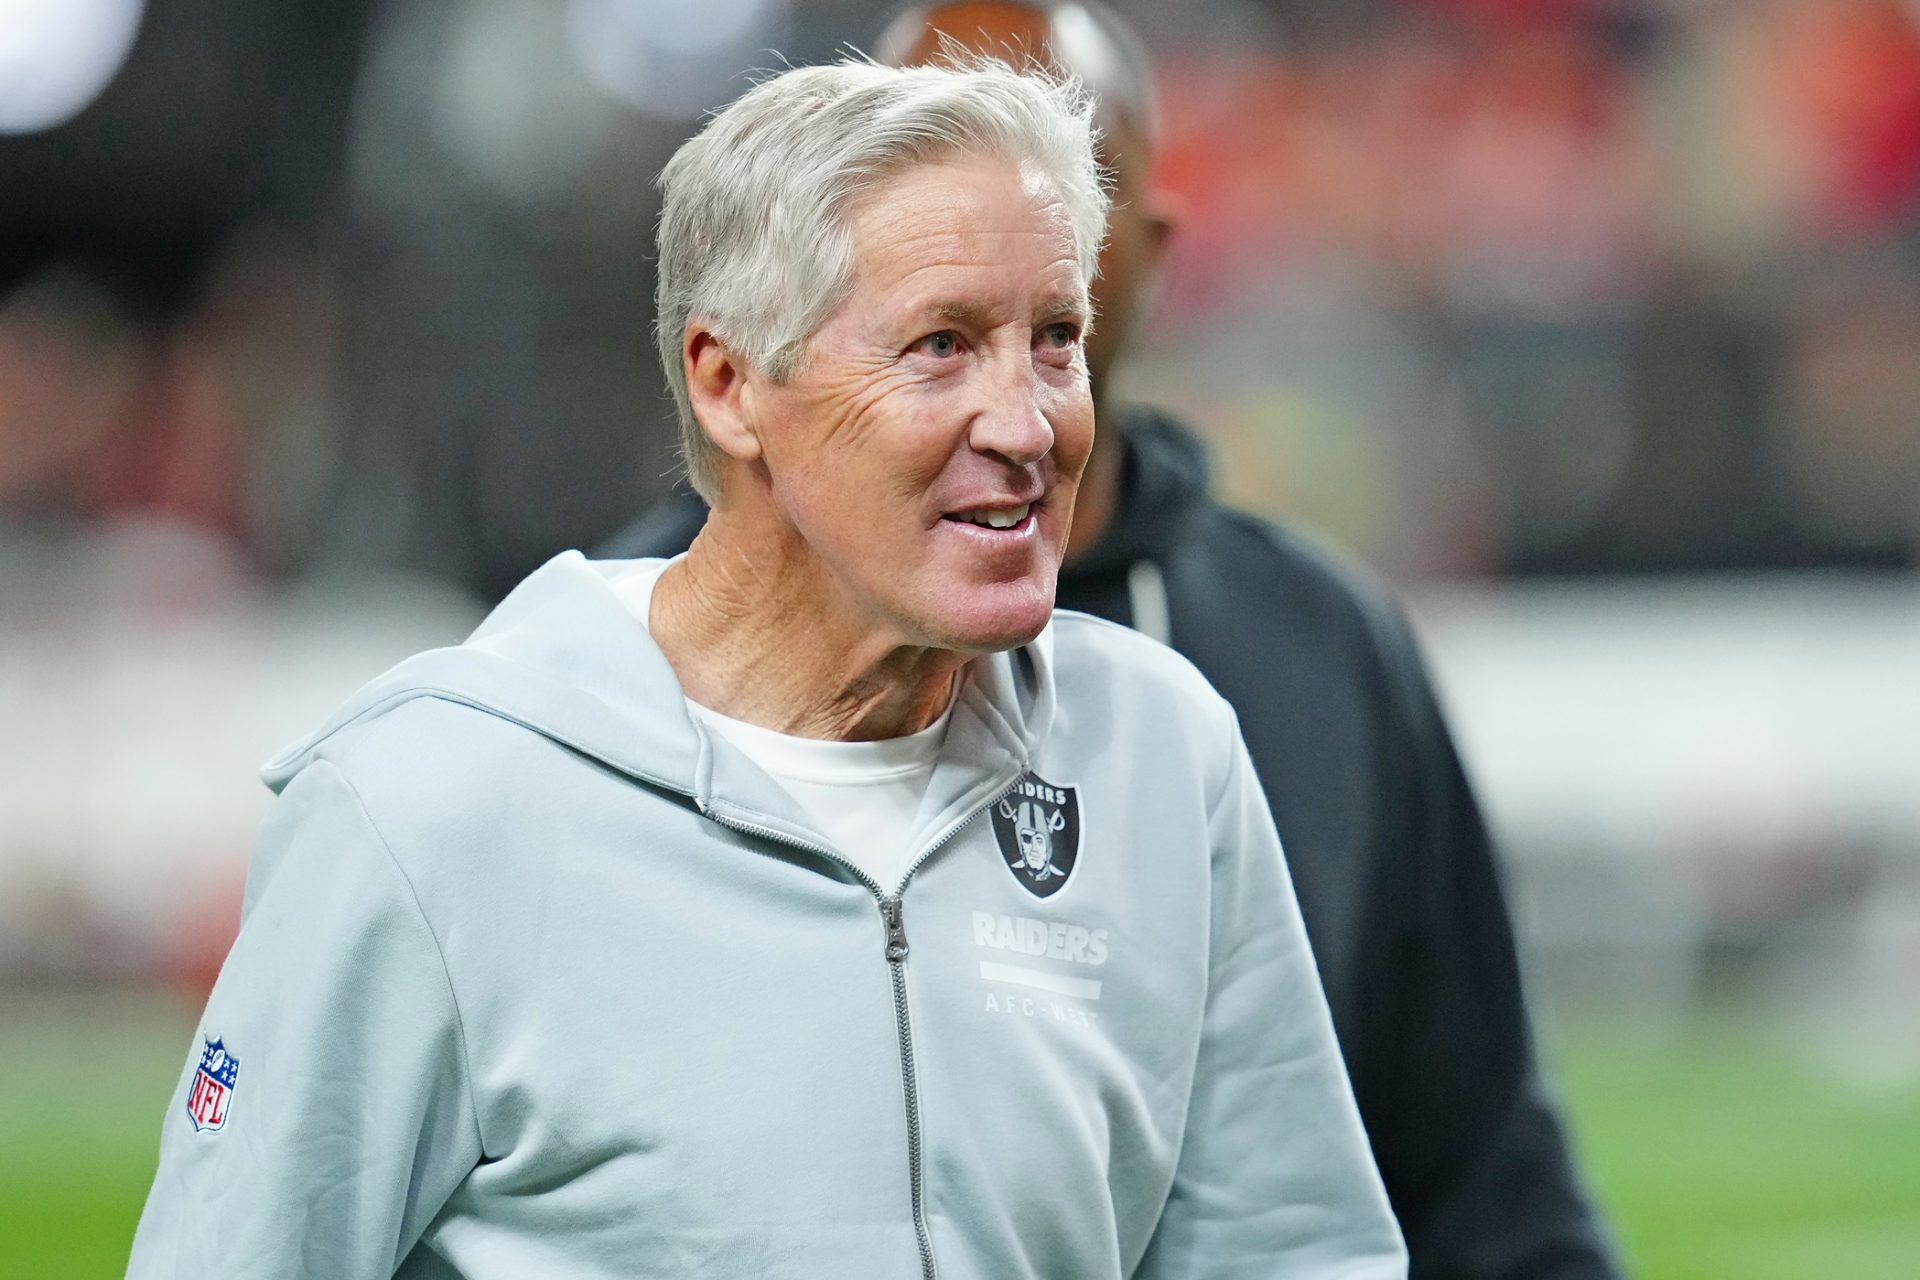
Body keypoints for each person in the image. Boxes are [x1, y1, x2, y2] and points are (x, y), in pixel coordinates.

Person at [130, 58, 1406, 1277]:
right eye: (942, 346)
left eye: (1056, 339)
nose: (1028, 424)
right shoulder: (429, 807)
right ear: (730, 383)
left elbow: (1293, 1253)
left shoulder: (1163, 756)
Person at [603, 5, 1624, 1277]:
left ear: (1134, 247)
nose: (980, 207)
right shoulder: (584, 695)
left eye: (1050, 300)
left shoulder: (1299, 661)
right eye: (935, 326)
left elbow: (1468, 1181)